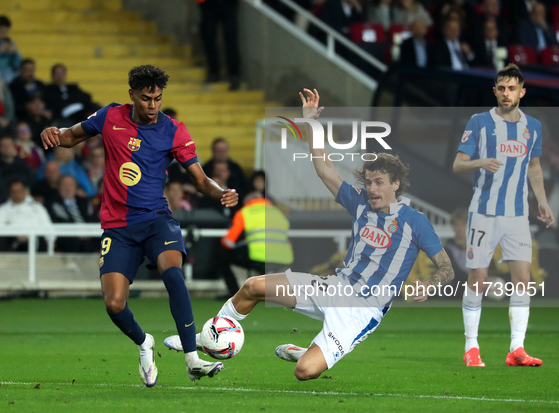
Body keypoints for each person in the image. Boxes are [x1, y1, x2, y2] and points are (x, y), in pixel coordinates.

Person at [164, 88, 454, 381]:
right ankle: (207, 335)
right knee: (252, 286)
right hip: (335, 287)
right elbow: (325, 168)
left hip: (362, 311)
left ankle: (308, 353)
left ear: (396, 184)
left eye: (379, 182)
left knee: (304, 372)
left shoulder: (416, 221)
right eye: (368, 182)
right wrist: (311, 123)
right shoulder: (360, 204)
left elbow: (446, 267)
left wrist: (431, 283)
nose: (372, 188)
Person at [40, 65, 239, 387]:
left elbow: (200, 179)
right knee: (114, 304)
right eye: (146, 98)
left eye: (158, 99)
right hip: (118, 227)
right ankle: (144, 342)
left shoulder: (174, 131)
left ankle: (192, 359)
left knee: (173, 274)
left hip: (156, 220)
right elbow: (68, 138)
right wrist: (51, 132)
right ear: (132, 94)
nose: (152, 105)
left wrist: (222, 194)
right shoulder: (109, 117)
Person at [453, 63, 554, 368]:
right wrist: (480, 162)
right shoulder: (479, 122)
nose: (506, 93)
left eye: (512, 88)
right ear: (495, 90)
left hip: (517, 215)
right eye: (501, 88)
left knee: (523, 279)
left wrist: (543, 202)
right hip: (483, 212)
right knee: (478, 279)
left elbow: (534, 167)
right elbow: (459, 164)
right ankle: (471, 347)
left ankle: (517, 349)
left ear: (522, 92)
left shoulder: (532, 126)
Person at [217, 190, 293, 296]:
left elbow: (228, 242)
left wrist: (242, 243)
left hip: (258, 257)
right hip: (284, 259)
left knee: (222, 256)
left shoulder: (245, 212)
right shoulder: (278, 212)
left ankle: (234, 293)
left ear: (247, 202)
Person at [0, 179, 52, 252]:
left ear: (25, 192)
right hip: (15, 240)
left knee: (40, 241)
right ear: (10, 194)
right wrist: (13, 233)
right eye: (14, 192)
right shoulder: (3, 209)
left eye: (20, 191)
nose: (17, 194)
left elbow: (47, 225)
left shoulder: (38, 208)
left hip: (36, 239)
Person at [198, 0, 241, 90]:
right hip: (208, 3)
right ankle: (213, 72)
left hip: (228, 3)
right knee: (208, 36)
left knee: (231, 37)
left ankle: (234, 74)